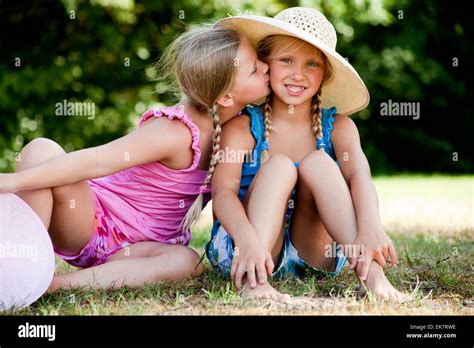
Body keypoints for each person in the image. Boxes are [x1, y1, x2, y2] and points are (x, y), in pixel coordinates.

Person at [0, 25, 271, 291]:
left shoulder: (242, 128)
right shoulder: (175, 131)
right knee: (41, 150)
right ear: (224, 97)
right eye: (255, 69)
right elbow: (99, 160)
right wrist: (15, 181)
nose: (266, 68)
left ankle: (53, 285)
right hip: (94, 225)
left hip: (140, 250)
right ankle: (19, 267)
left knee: (187, 262)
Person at [207, 7, 408, 302]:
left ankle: (374, 278)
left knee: (319, 163)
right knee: (279, 167)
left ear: (324, 74)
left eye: (311, 64)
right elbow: (222, 192)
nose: (298, 74)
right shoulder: (243, 127)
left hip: (313, 252)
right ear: (266, 64)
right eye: (286, 60)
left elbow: (358, 175)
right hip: (248, 247)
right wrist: (248, 240)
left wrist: (371, 225)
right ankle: (254, 285)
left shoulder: (338, 127)